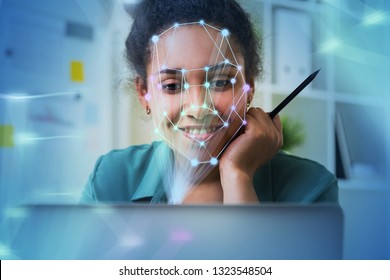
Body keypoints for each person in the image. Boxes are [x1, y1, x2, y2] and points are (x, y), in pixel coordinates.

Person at [81, 0, 338, 204]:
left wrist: (238, 176)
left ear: (249, 86)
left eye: (219, 82)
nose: (198, 108)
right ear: (143, 93)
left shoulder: (310, 187)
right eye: (171, 86)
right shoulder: (110, 178)